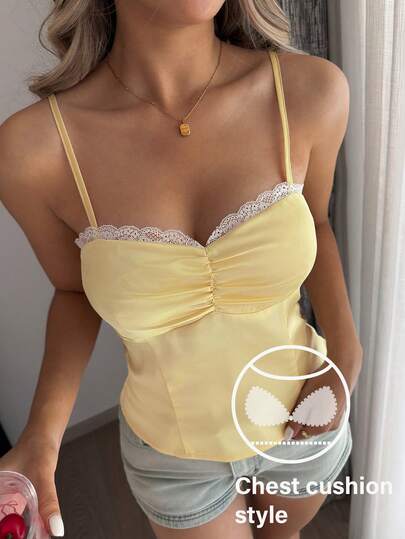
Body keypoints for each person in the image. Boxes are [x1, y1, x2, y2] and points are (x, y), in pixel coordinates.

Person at [0, 1, 363, 538]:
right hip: (176, 457)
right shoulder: (34, 151)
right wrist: (43, 435)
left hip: (305, 412)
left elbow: (317, 221)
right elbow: (74, 291)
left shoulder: (311, 91)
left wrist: (346, 358)